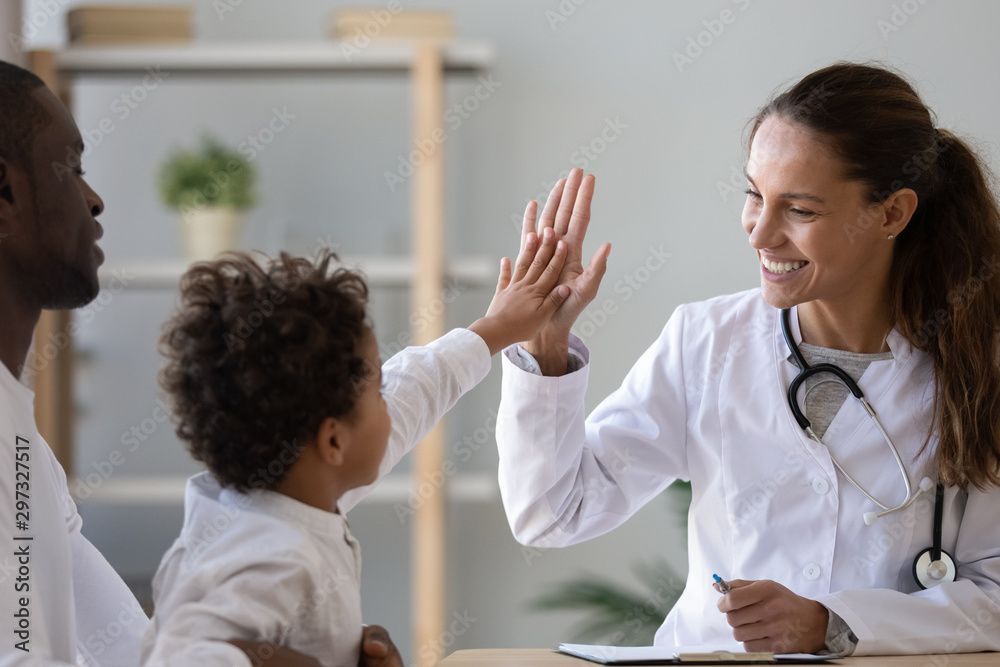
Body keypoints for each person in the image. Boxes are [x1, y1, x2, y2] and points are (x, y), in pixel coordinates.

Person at [495, 62, 1000, 656]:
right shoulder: (706, 341)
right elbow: (553, 515)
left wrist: (834, 623)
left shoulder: (975, 362)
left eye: (801, 210)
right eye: (755, 196)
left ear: (891, 213)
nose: (760, 234)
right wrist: (545, 347)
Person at [142, 241, 569, 665]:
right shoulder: (270, 556)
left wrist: (493, 330)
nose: (389, 401)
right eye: (377, 390)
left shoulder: (281, 501)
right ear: (333, 442)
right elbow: (179, 654)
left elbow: (411, 392)